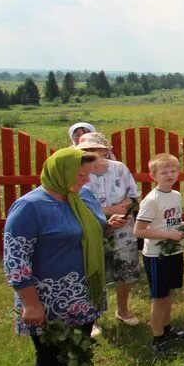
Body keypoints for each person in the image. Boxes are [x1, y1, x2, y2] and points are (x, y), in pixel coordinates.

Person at [4, 148, 125, 366]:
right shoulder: (30, 207)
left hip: (82, 296)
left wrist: (107, 228)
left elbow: (90, 231)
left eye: (86, 175)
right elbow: (15, 261)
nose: (85, 181)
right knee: (49, 361)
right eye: (79, 175)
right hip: (48, 302)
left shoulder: (81, 198)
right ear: (60, 172)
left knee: (80, 349)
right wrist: (30, 303)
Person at [77, 133, 141, 336]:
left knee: (126, 268)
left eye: (94, 149)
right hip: (92, 230)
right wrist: (108, 211)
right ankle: (93, 318)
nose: (89, 153)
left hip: (123, 228)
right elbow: (79, 203)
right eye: (85, 150)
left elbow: (133, 195)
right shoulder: (78, 172)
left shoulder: (119, 168)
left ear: (105, 151)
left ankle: (122, 310)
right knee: (95, 272)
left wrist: (123, 209)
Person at [133, 153, 184, 354]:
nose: (169, 175)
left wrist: (183, 226)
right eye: (163, 172)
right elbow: (139, 231)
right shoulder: (151, 200)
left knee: (171, 292)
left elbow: (170, 220)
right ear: (153, 176)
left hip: (174, 251)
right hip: (157, 255)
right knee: (160, 297)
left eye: (173, 170)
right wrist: (168, 234)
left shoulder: (176, 195)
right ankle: (157, 338)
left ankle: (167, 328)